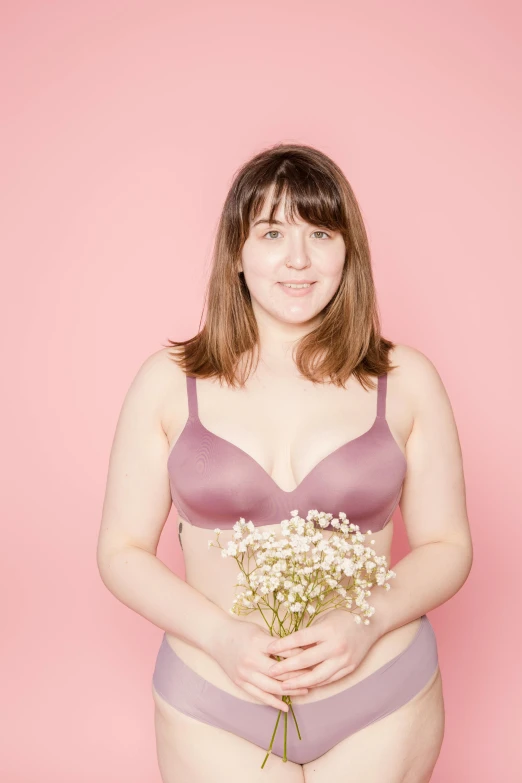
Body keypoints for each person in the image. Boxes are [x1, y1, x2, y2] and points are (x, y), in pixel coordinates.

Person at [96, 143, 473, 782]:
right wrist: (222, 637)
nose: (298, 259)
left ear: (347, 251)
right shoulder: (168, 381)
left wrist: (368, 619)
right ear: (236, 255)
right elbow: (121, 551)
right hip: (213, 696)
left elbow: (447, 545)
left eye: (320, 233)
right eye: (272, 233)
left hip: (378, 691)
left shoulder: (405, 380)